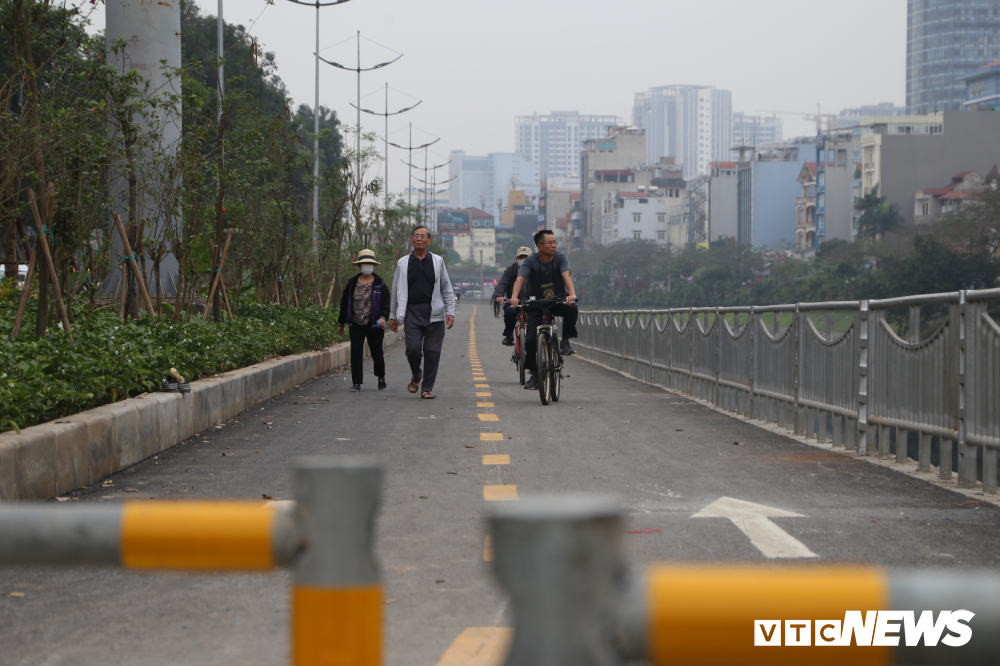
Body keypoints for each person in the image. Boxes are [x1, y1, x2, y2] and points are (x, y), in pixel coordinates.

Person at [390, 225, 456, 399]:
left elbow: (446, 289)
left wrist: (450, 311)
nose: (419, 239)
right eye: (416, 236)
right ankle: (416, 373)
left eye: (422, 236)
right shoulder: (403, 263)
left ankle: (426, 388)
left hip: (434, 312)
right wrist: (393, 315)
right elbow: (395, 290)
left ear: (429, 241)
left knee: (432, 352)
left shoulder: (438, 262)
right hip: (412, 312)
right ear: (412, 240)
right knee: (412, 349)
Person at [509, 230, 578, 391]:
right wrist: (514, 297)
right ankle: (535, 374)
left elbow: (566, 275)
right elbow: (520, 279)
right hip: (536, 304)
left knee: (572, 309)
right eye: (550, 243)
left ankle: (565, 342)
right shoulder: (530, 261)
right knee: (531, 340)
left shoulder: (561, 258)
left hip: (557, 300)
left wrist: (572, 294)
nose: (554, 245)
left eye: (555, 242)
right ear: (539, 246)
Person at [338, 249, 390, 392]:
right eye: (364, 263)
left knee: (376, 352)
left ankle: (381, 376)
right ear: (359, 266)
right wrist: (341, 322)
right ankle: (356, 382)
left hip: (375, 323)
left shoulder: (380, 284)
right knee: (355, 351)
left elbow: (386, 304)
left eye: (369, 263)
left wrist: (383, 318)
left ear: (373, 265)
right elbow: (345, 303)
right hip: (356, 323)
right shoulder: (352, 284)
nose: (367, 265)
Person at [493, 245, 534, 346]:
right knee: (510, 312)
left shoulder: (537, 270)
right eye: (521, 257)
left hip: (532, 303)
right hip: (514, 302)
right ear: (517, 259)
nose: (523, 260)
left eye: (527, 257)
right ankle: (509, 335)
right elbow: (502, 283)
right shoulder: (511, 270)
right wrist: (499, 295)